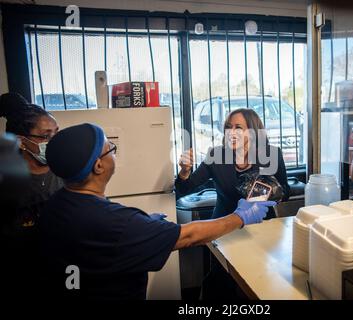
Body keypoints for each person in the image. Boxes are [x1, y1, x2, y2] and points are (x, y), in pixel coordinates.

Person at [40, 123, 275, 300]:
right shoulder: (117, 223)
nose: (114, 152)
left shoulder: (56, 204)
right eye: (111, 148)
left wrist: (144, 227)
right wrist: (241, 216)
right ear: (98, 166)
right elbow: (189, 236)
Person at [0, 93, 62, 298]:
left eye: (56, 133)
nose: (53, 141)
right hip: (23, 273)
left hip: (65, 270)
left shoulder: (65, 171)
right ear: (22, 140)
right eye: (45, 136)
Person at [176, 108, 290, 219]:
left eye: (238, 128)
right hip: (224, 225)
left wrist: (270, 192)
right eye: (228, 127)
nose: (231, 132)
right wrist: (184, 171)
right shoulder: (216, 156)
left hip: (262, 224)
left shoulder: (272, 154)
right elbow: (184, 188)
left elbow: (285, 192)